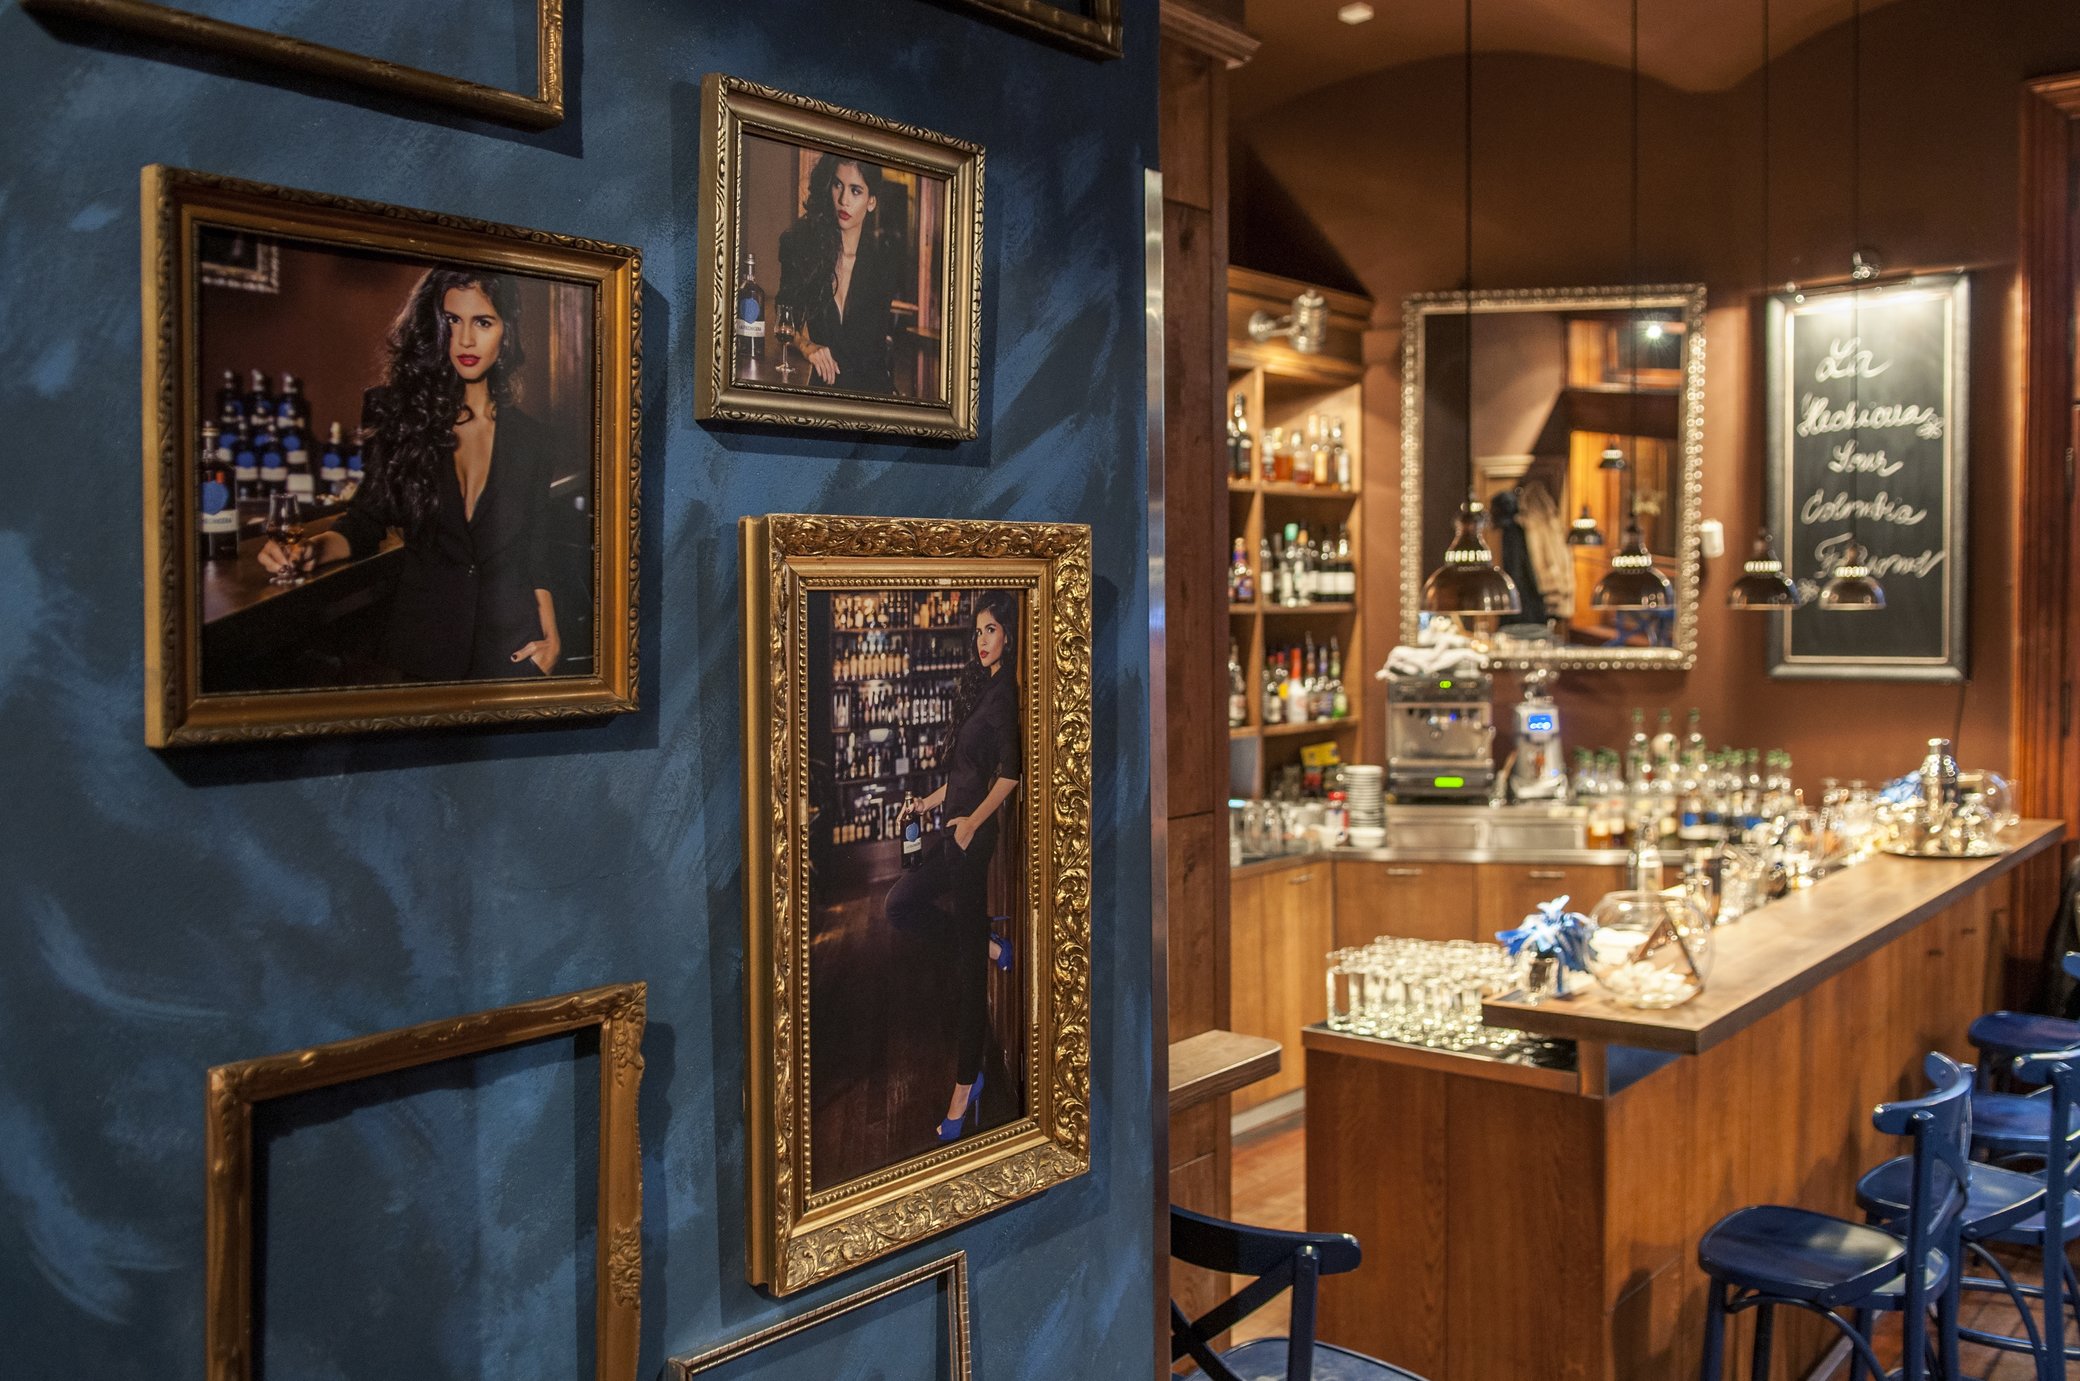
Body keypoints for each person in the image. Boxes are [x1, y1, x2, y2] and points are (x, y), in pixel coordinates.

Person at [258, 267, 564, 681]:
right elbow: (364, 522)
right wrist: (310, 550)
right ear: (433, 325)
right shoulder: (401, 419)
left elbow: (536, 550)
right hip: (425, 647)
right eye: (452, 320)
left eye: (483, 322)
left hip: (512, 650)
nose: (465, 339)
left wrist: (551, 636)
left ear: (506, 332)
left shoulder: (535, 439)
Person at [887, 591, 1022, 1143]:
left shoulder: (1005, 695)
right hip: (951, 830)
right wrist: (927, 804)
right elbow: (965, 776)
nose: (981, 640)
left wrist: (971, 825)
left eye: (991, 630)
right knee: (900, 905)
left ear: (1008, 634)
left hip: (971, 839)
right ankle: (990, 944)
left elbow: (1008, 776)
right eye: (978, 631)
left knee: (968, 977)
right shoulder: (982, 687)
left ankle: (967, 1085)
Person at [775, 154, 900, 395]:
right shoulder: (802, 252)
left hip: (868, 395)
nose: (844, 200)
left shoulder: (882, 268)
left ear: (871, 201)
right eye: (837, 185)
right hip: (819, 392)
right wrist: (807, 346)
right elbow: (783, 320)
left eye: (855, 191)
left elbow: (875, 352)